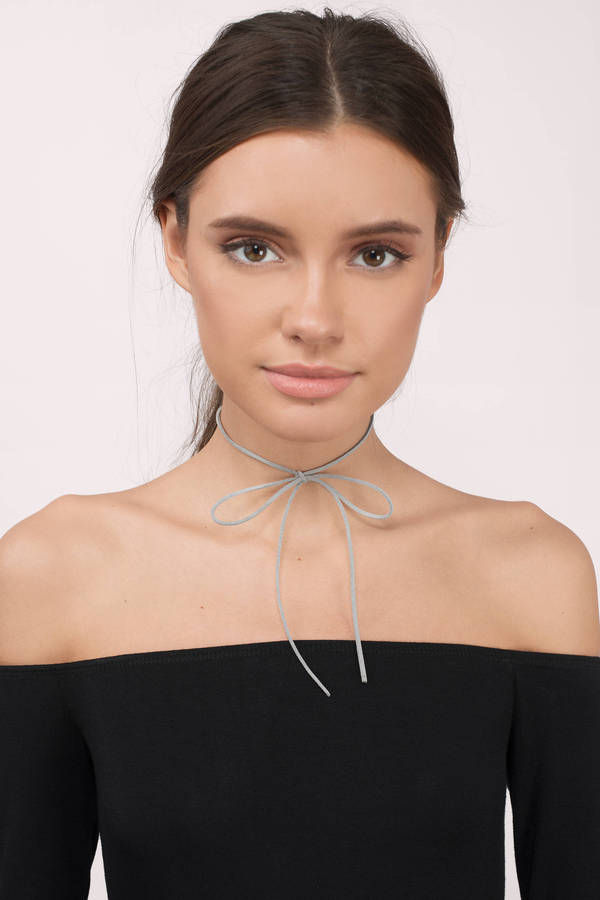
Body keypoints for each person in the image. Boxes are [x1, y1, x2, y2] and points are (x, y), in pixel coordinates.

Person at [1, 7, 599, 899]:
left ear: (438, 258)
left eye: (375, 255)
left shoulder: (532, 575)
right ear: (175, 240)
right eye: (254, 248)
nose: (315, 319)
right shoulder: (53, 575)